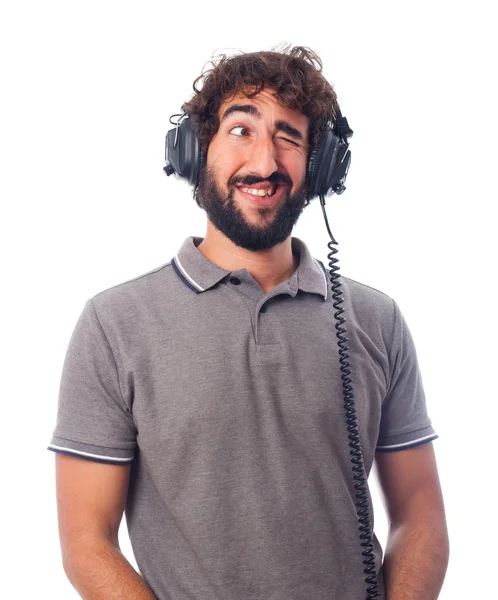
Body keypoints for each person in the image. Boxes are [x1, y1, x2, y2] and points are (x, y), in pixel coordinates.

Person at [48, 45, 449, 600]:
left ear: (322, 165)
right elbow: (86, 542)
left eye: (290, 137)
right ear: (195, 151)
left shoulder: (375, 320)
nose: (264, 163)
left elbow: (420, 514)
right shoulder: (114, 324)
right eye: (241, 130)